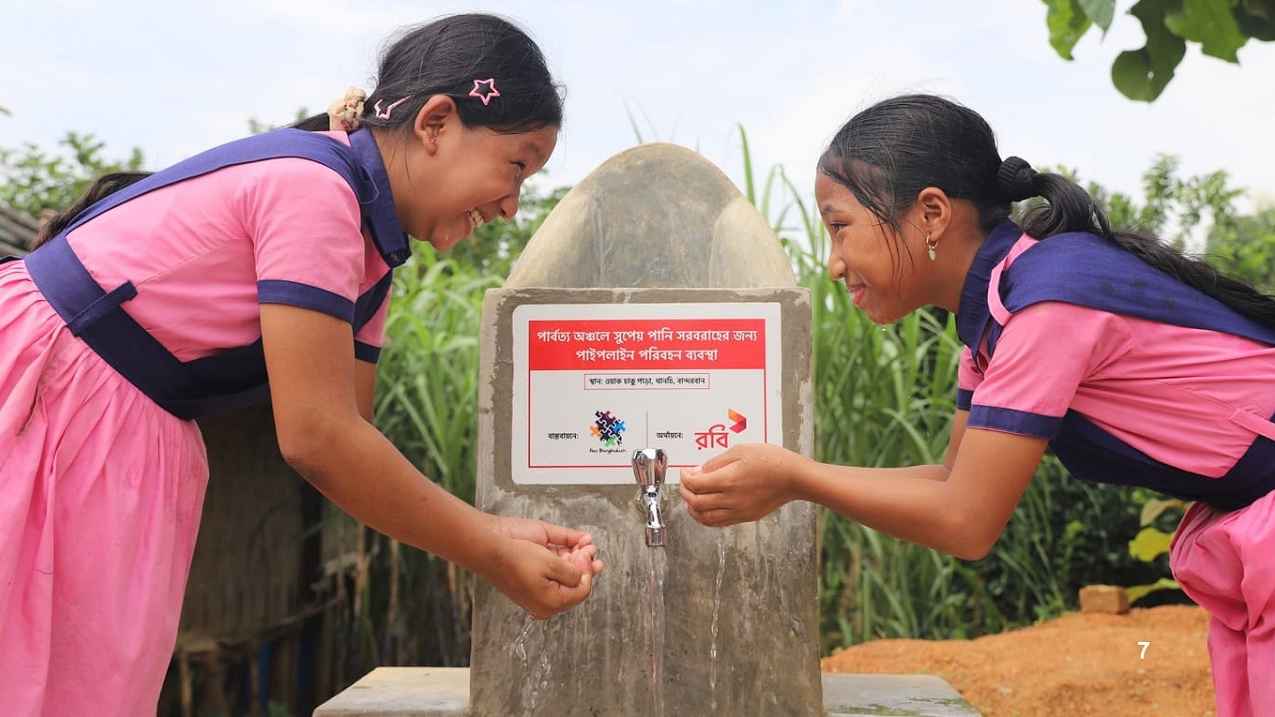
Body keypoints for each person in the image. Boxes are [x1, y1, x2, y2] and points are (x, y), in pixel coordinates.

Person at [0, 14, 603, 715]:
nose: (511, 206)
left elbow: (352, 441)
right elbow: (317, 438)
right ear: (436, 123)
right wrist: (491, 551)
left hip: (123, 429)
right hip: (49, 392)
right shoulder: (314, 190)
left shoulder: (372, 261)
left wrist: (499, 533)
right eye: (517, 166)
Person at [679, 94, 1275, 716]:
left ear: (931, 213)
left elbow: (965, 521)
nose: (833, 264)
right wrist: (793, 476)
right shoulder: (995, 321)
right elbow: (950, 479)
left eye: (840, 227)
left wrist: (795, 479)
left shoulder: (1046, 306)